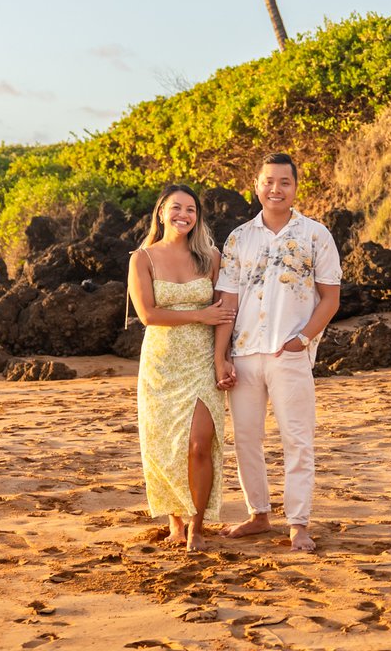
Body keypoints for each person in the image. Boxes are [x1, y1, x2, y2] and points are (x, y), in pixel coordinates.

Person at [213, 152, 341, 553]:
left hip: (290, 353)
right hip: (245, 352)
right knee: (246, 438)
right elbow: (227, 301)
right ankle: (258, 515)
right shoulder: (238, 238)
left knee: (297, 439)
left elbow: (331, 298)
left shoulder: (316, 234)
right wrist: (222, 356)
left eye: (284, 182)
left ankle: (298, 522)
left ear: (296, 187)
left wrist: (301, 340)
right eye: (268, 181)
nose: (276, 189)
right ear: (257, 186)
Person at [127, 183, 237, 550]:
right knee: (165, 446)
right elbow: (147, 314)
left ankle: (198, 526)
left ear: (198, 217)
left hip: (201, 361)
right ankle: (175, 521)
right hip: (161, 363)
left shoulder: (210, 257)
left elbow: (225, 314)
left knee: (199, 445)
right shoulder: (142, 258)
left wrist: (221, 358)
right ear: (161, 212)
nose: (183, 215)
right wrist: (200, 314)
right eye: (176, 208)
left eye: (191, 210)